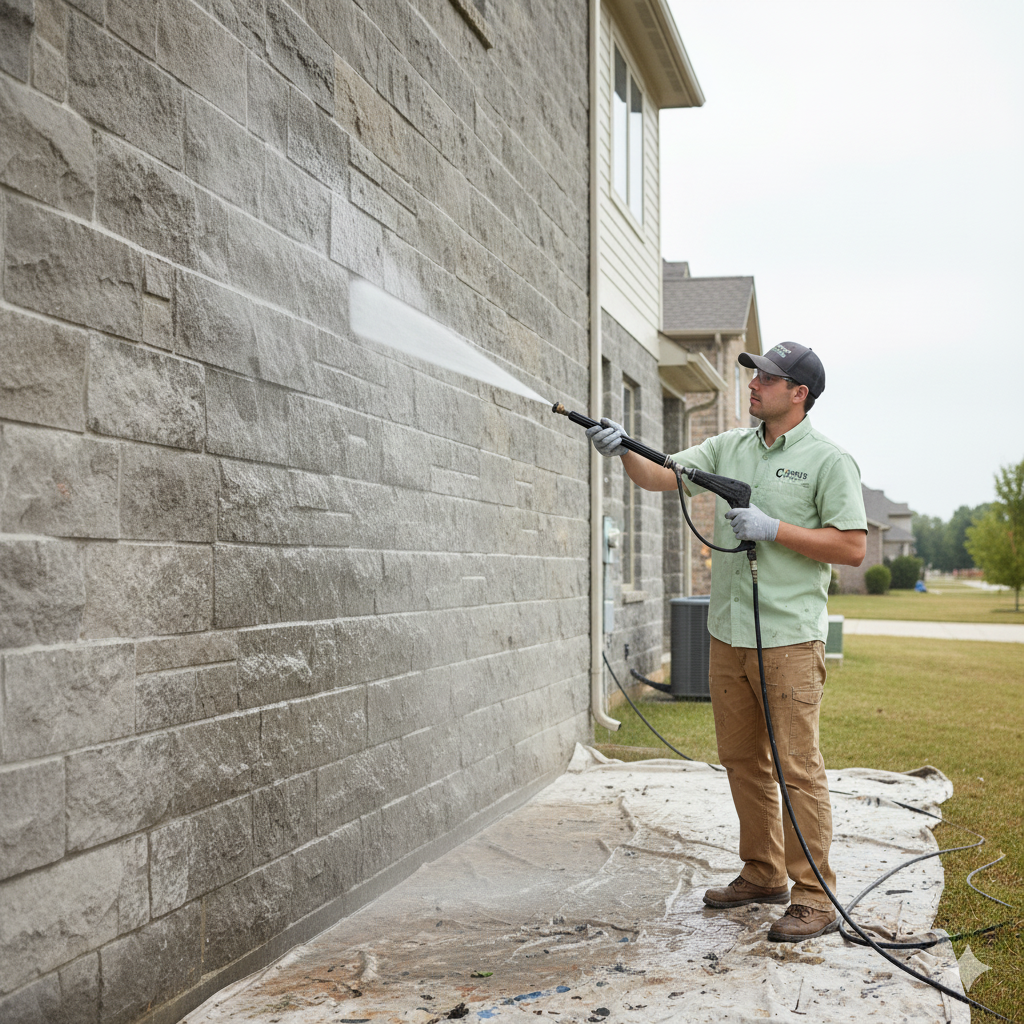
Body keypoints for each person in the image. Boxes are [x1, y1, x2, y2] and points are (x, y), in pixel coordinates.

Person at [587, 342, 866, 941]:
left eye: (768, 378)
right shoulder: (728, 447)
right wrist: (623, 449)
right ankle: (763, 874)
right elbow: (660, 474)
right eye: (754, 374)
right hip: (728, 634)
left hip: (788, 640)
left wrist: (774, 529)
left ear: (800, 394)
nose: (754, 383)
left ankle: (815, 898)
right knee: (743, 761)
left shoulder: (828, 461)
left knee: (797, 769)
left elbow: (851, 547)